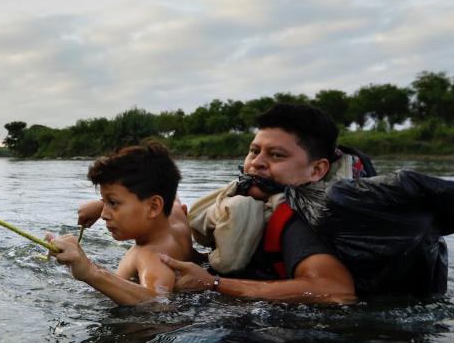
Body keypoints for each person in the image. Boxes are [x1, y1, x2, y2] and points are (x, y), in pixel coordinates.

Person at [160, 103, 356, 304]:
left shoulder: (300, 221)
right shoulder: (259, 206)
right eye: (254, 151)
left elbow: (336, 290)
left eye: (276, 155)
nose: (256, 163)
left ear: (316, 170)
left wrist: (214, 284)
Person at [46, 142, 193, 305]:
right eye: (104, 202)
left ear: (154, 206)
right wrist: (103, 202)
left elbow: (158, 302)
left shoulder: (152, 256)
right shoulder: (177, 216)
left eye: (113, 203)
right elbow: (168, 190)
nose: (103, 215)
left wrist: (90, 271)